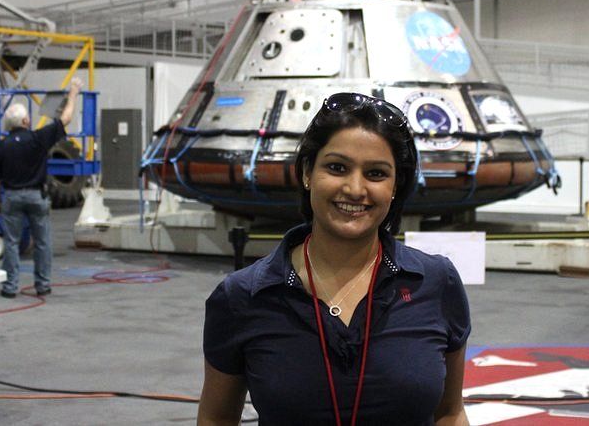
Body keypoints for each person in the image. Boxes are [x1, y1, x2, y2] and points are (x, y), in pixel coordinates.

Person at [198, 92, 471, 425]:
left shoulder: (436, 282)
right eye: (337, 168)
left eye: (376, 174)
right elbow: (217, 418)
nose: (355, 189)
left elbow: (450, 412)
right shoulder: (243, 297)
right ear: (307, 173)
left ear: (396, 185)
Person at [0, 78, 83, 298]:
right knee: (42, 242)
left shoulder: (2, 146)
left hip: (12, 196)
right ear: (25, 120)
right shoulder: (38, 139)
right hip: (36, 197)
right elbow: (66, 118)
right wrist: (74, 93)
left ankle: (10, 286)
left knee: (11, 243)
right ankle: (42, 284)